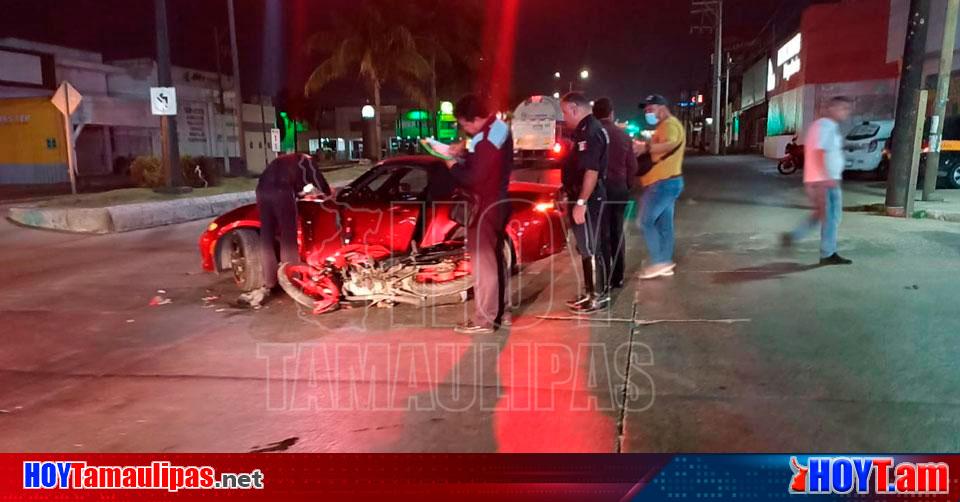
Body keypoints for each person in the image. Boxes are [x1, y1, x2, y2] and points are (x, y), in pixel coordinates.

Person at [448, 94, 513, 335]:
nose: (465, 130)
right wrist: (464, 153)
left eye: (465, 125)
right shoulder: (497, 128)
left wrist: (452, 165)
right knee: (495, 259)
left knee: (483, 264)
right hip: (498, 202)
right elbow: (484, 160)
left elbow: (476, 176)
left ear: (474, 119)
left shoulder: (487, 136)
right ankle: (501, 312)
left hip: (486, 204)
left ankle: (484, 319)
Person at [240, 153, 331, 308]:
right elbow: (318, 181)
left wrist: (299, 192)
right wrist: (328, 194)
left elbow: (298, 183)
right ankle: (292, 280)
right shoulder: (306, 160)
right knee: (288, 235)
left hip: (262, 190)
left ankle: (270, 282)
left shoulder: (284, 161)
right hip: (282, 190)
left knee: (267, 236)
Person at [781, 96, 854, 265]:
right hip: (825, 182)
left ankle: (796, 236)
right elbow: (818, 153)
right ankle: (827, 253)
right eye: (843, 108)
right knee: (830, 217)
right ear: (831, 108)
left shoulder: (827, 127)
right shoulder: (825, 126)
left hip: (826, 180)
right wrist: (824, 179)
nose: (846, 112)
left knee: (824, 215)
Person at [560, 92, 610, 314]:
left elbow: (591, 170)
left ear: (573, 108)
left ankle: (597, 296)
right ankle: (590, 292)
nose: (564, 117)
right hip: (581, 196)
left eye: (564, 112)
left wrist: (581, 201)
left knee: (591, 247)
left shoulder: (590, 131)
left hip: (588, 198)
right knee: (585, 246)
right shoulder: (585, 130)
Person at [632, 94, 685, 280]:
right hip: (667, 182)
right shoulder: (664, 126)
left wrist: (646, 148)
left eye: (650, 109)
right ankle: (664, 262)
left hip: (663, 184)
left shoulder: (669, 125)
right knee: (664, 226)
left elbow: (669, 145)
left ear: (661, 108)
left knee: (645, 221)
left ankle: (659, 262)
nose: (647, 113)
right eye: (646, 110)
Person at [593, 97, 637, 289]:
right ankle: (617, 277)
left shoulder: (594, 134)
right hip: (619, 189)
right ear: (611, 113)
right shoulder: (623, 136)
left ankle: (603, 277)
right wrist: (627, 185)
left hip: (600, 189)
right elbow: (632, 166)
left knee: (602, 233)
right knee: (617, 230)